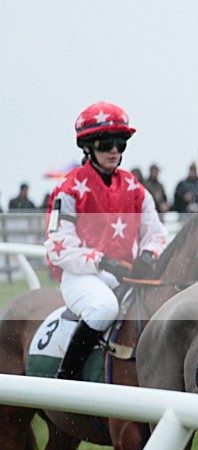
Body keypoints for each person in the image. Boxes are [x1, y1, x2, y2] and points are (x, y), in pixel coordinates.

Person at [44, 102, 168, 380]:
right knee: (105, 307)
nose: (114, 150)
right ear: (87, 147)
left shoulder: (135, 187)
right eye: (105, 143)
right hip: (81, 277)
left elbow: (156, 233)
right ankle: (68, 377)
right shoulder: (68, 189)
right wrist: (102, 261)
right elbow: (58, 245)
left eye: (120, 144)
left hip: (122, 276)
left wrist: (148, 254)